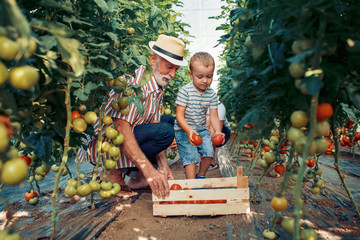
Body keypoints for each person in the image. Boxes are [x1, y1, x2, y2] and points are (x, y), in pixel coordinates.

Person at [78, 34, 187, 199]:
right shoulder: (135, 83)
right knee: (164, 131)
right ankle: (111, 173)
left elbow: (155, 122)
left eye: (175, 70)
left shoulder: (159, 84)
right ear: (153, 60)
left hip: (129, 134)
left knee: (167, 123)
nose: (172, 74)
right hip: (106, 144)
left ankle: (139, 179)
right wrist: (150, 170)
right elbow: (121, 128)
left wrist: (164, 167)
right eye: (169, 67)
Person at [174, 52, 225, 179]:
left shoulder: (212, 94)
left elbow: (213, 115)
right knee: (190, 157)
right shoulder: (185, 91)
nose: (205, 80)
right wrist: (188, 130)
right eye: (200, 76)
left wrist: (218, 131)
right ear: (191, 74)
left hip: (201, 129)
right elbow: (179, 116)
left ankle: (201, 177)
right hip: (184, 129)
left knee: (209, 153)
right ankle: (191, 184)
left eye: (209, 76)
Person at [206, 102, 231, 170]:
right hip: (204, 129)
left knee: (208, 122)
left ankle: (210, 161)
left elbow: (216, 132)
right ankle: (201, 158)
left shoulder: (219, 106)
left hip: (222, 131)